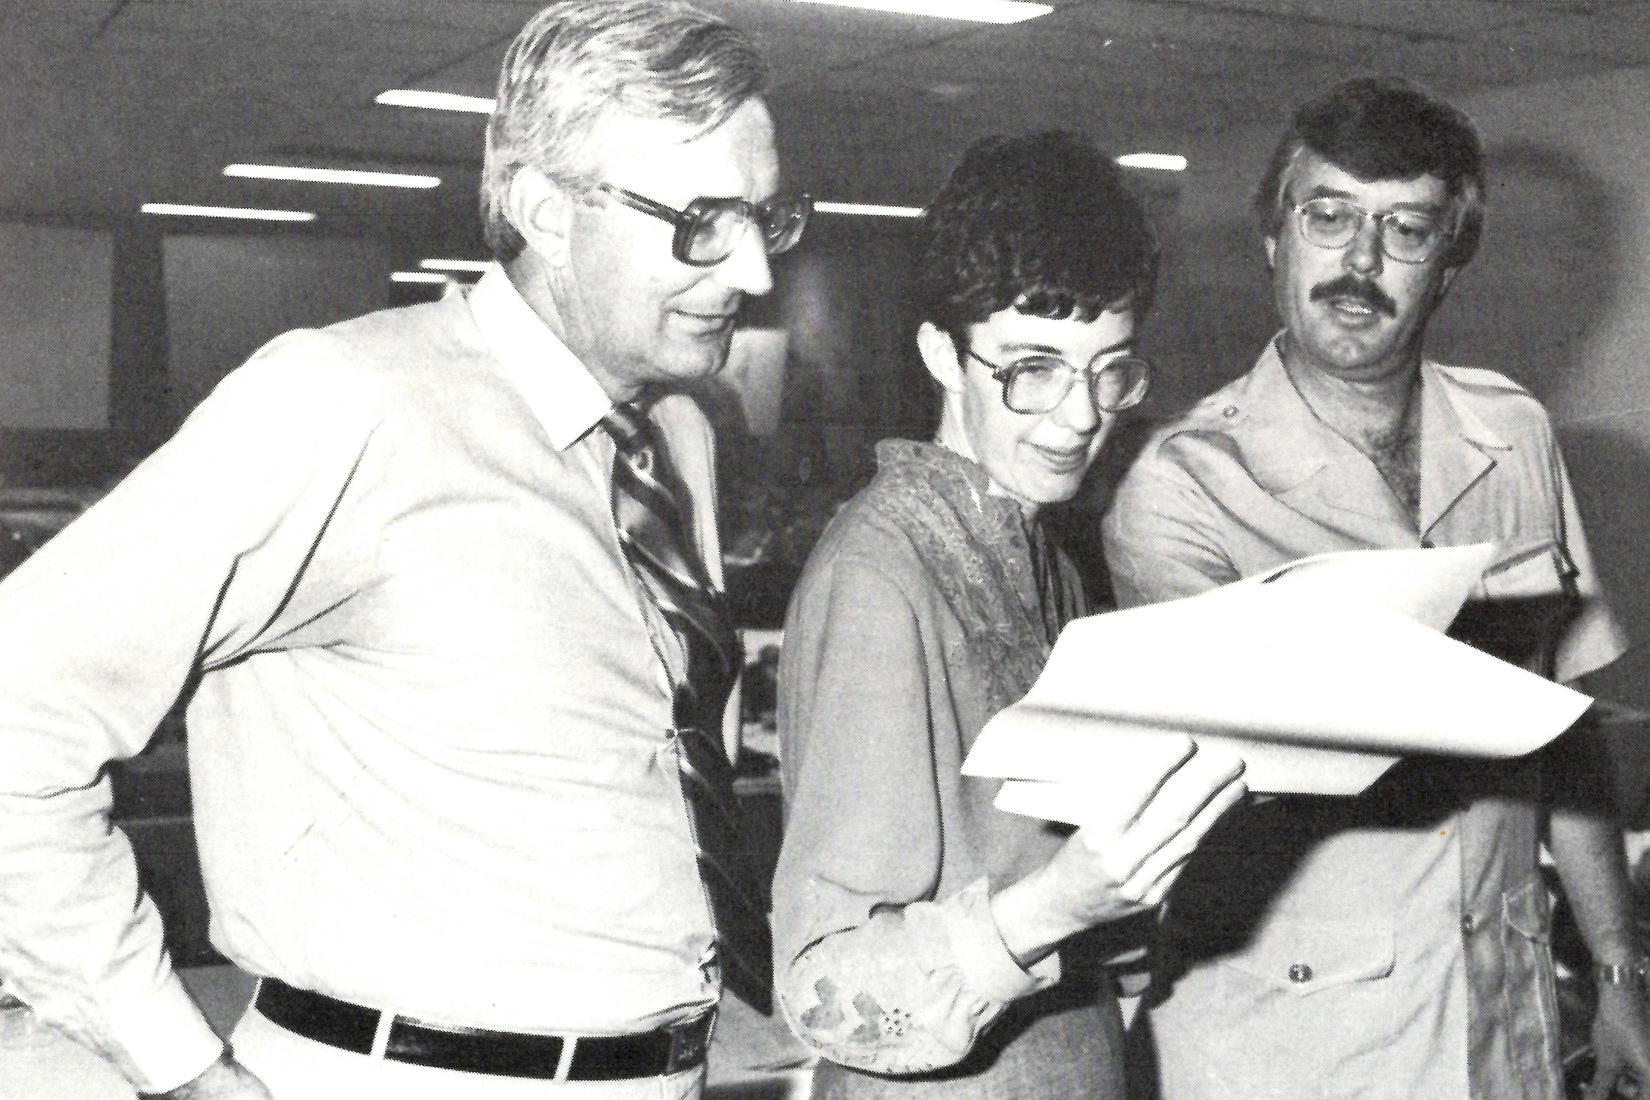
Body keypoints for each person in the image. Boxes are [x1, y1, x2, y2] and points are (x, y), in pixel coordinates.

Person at [0, 2, 811, 1098]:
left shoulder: (678, 440)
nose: (755, 272)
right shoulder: (344, 402)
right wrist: (175, 1060)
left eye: (768, 215)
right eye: (704, 219)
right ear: (543, 209)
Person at [1102, 77, 1650, 1100]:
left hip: (1500, 1018)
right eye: (1329, 216)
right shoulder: (1183, 487)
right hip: (1291, 1039)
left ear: (1450, 261)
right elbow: (1239, 777)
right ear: (1276, 237)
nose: (1359, 263)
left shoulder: (1513, 431)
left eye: (1405, 228)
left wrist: (1619, 969)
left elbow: (1562, 735)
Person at [771, 131, 1248, 1099]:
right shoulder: (882, 573)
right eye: (1033, 368)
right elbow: (823, 987)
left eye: (1111, 369)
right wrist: (1058, 902)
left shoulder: (1040, 545)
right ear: (941, 354)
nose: (1080, 415)